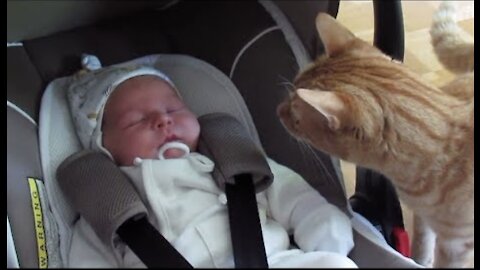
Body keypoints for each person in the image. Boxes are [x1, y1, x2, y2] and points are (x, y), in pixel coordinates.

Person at [66, 61, 358, 268]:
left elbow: (297, 199)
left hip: (271, 261)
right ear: (103, 146)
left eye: (173, 109)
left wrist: (327, 238)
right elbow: (87, 260)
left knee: (334, 264)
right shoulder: (109, 202)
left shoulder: (234, 164)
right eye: (136, 121)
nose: (163, 120)